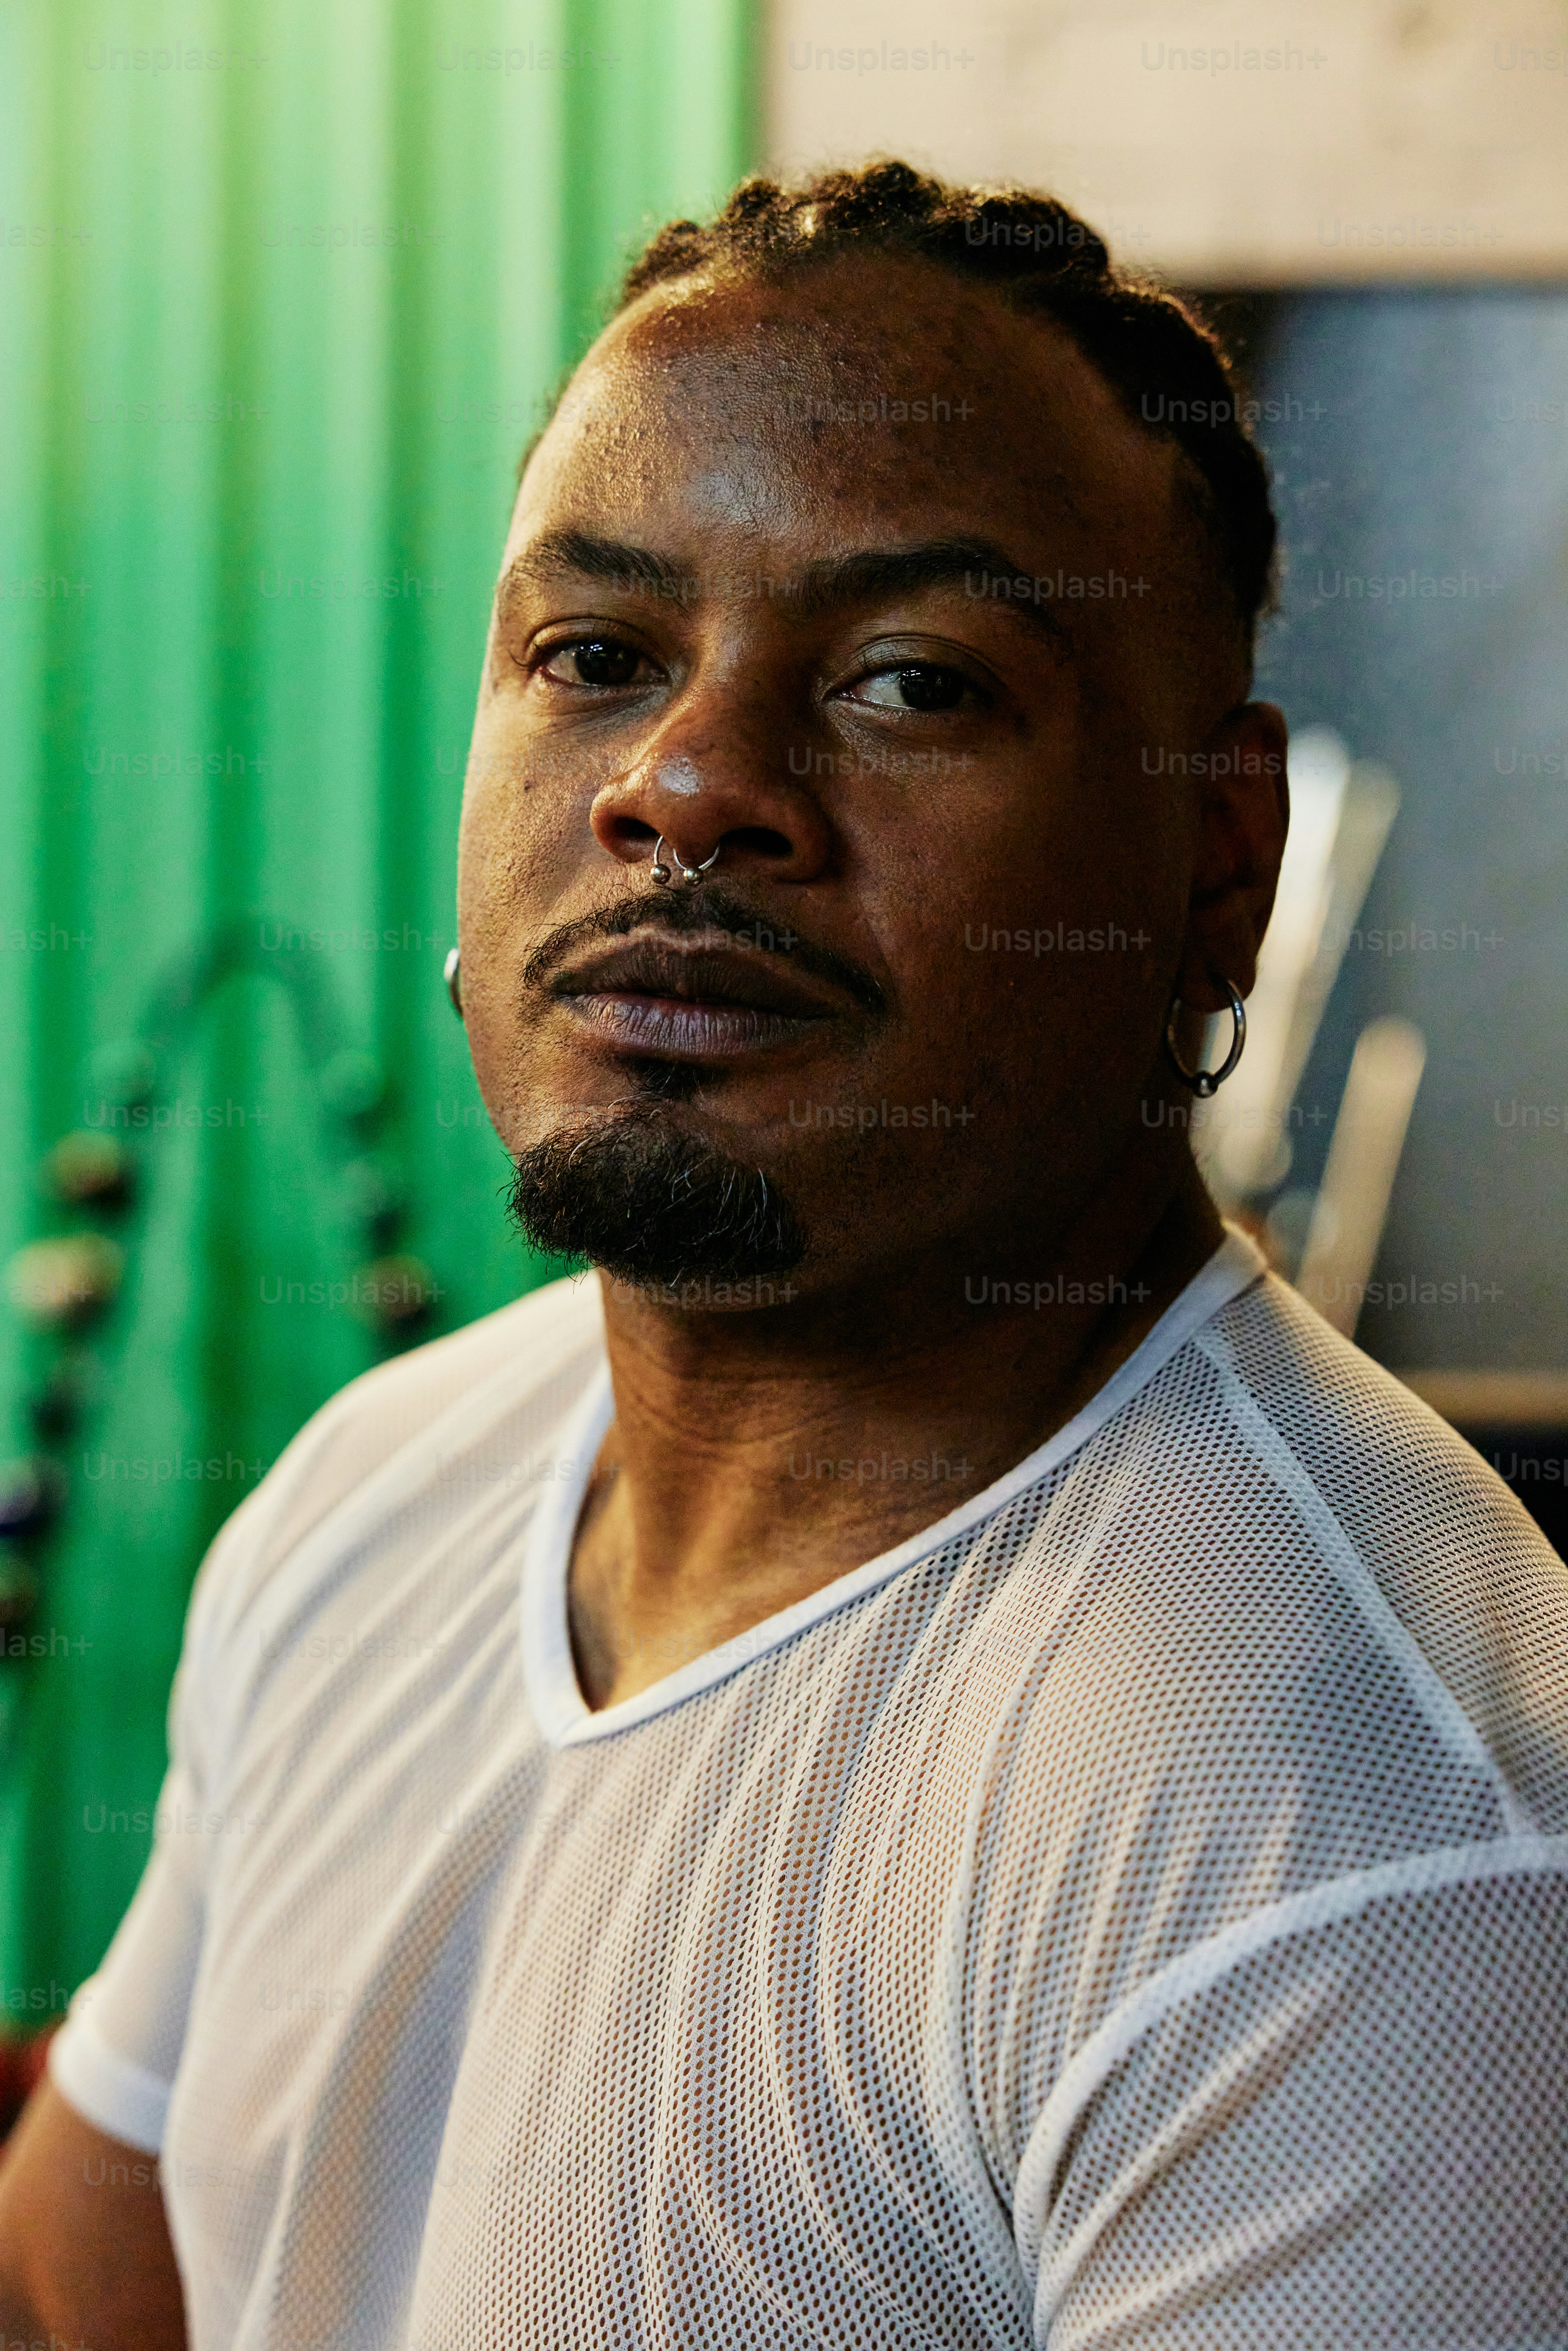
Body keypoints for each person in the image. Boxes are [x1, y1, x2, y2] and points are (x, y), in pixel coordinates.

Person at [2, 161, 1565, 2350]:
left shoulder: (1377, 1856)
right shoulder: (371, 1494)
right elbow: (104, 2272)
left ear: (1217, 863)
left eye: (912, 682)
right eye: (594, 654)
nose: (687, 780)